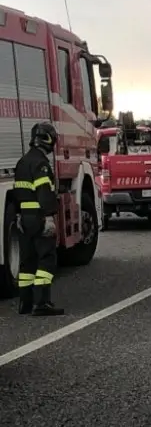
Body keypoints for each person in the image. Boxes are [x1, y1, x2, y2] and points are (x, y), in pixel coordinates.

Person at [14, 122, 65, 316]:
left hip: (24, 219)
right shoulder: (41, 164)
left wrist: (19, 214)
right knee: (46, 259)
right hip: (39, 218)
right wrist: (50, 218)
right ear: (48, 139)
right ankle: (42, 303)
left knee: (27, 261)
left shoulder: (22, 162)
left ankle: (25, 303)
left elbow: (18, 192)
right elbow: (44, 193)